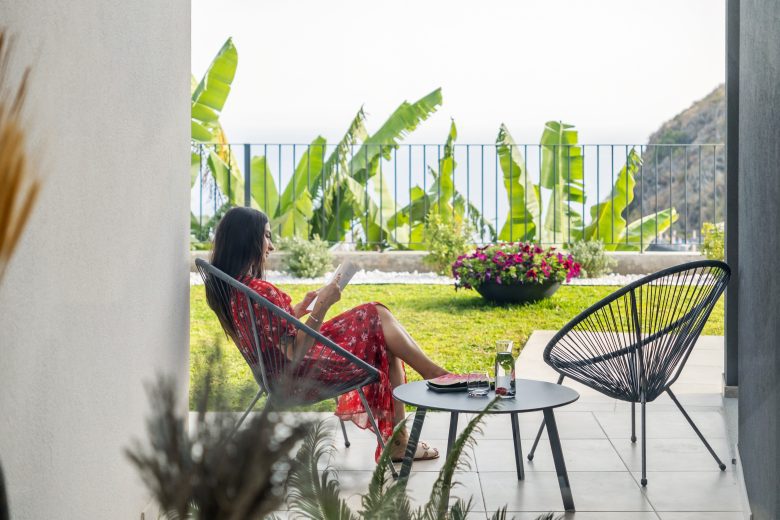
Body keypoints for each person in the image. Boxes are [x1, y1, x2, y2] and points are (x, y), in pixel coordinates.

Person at [207, 206, 449, 461]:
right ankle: (431, 380)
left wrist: (298, 310)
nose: (272, 246)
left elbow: (270, 332)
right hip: (298, 376)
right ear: (247, 239)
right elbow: (294, 351)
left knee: (380, 327)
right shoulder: (259, 291)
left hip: (276, 373)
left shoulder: (234, 291)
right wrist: (322, 305)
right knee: (375, 315)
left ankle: (404, 431)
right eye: (267, 236)